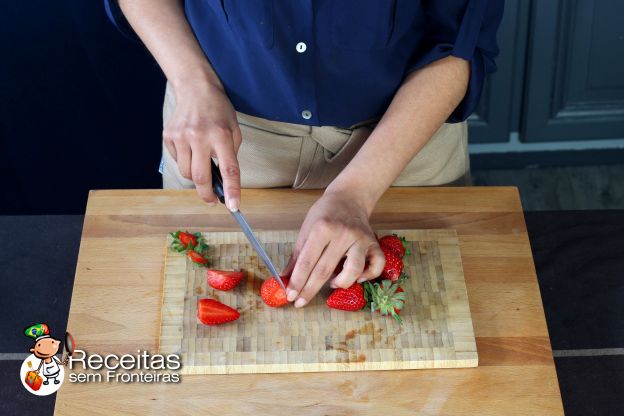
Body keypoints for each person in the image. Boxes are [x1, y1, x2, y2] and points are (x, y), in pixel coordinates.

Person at [105, 0, 503, 307]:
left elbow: (461, 40)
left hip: (404, 145)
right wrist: (193, 84)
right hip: (228, 138)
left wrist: (356, 192)